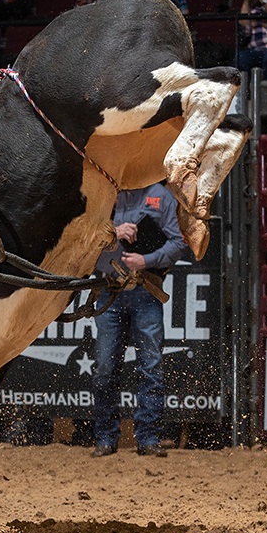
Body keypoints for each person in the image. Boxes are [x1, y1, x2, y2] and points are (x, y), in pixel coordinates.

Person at [90, 183, 190, 459]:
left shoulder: (161, 196)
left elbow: (179, 242)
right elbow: (84, 234)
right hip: (110, 290)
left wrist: (146, 260)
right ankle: (107, 437)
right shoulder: (105, 195)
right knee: (105, 368)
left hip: (145, 289)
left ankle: (147, 437)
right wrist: (114, 232)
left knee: (150, 366)